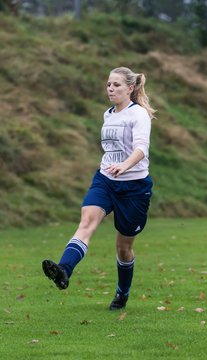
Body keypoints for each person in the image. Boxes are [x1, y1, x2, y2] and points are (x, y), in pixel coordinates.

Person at [42, 66, 155, 310]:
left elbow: (141, 149)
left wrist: (125, 166)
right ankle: (64, 270)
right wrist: (113, 167)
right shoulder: (109, 114)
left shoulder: (139, 115)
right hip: (105, 180)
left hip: (134, 187)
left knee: (124, 248)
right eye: (108, 85)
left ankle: (122, 294)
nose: (111, 89)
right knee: (86, 222)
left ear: (130, 88)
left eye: (116, 85)